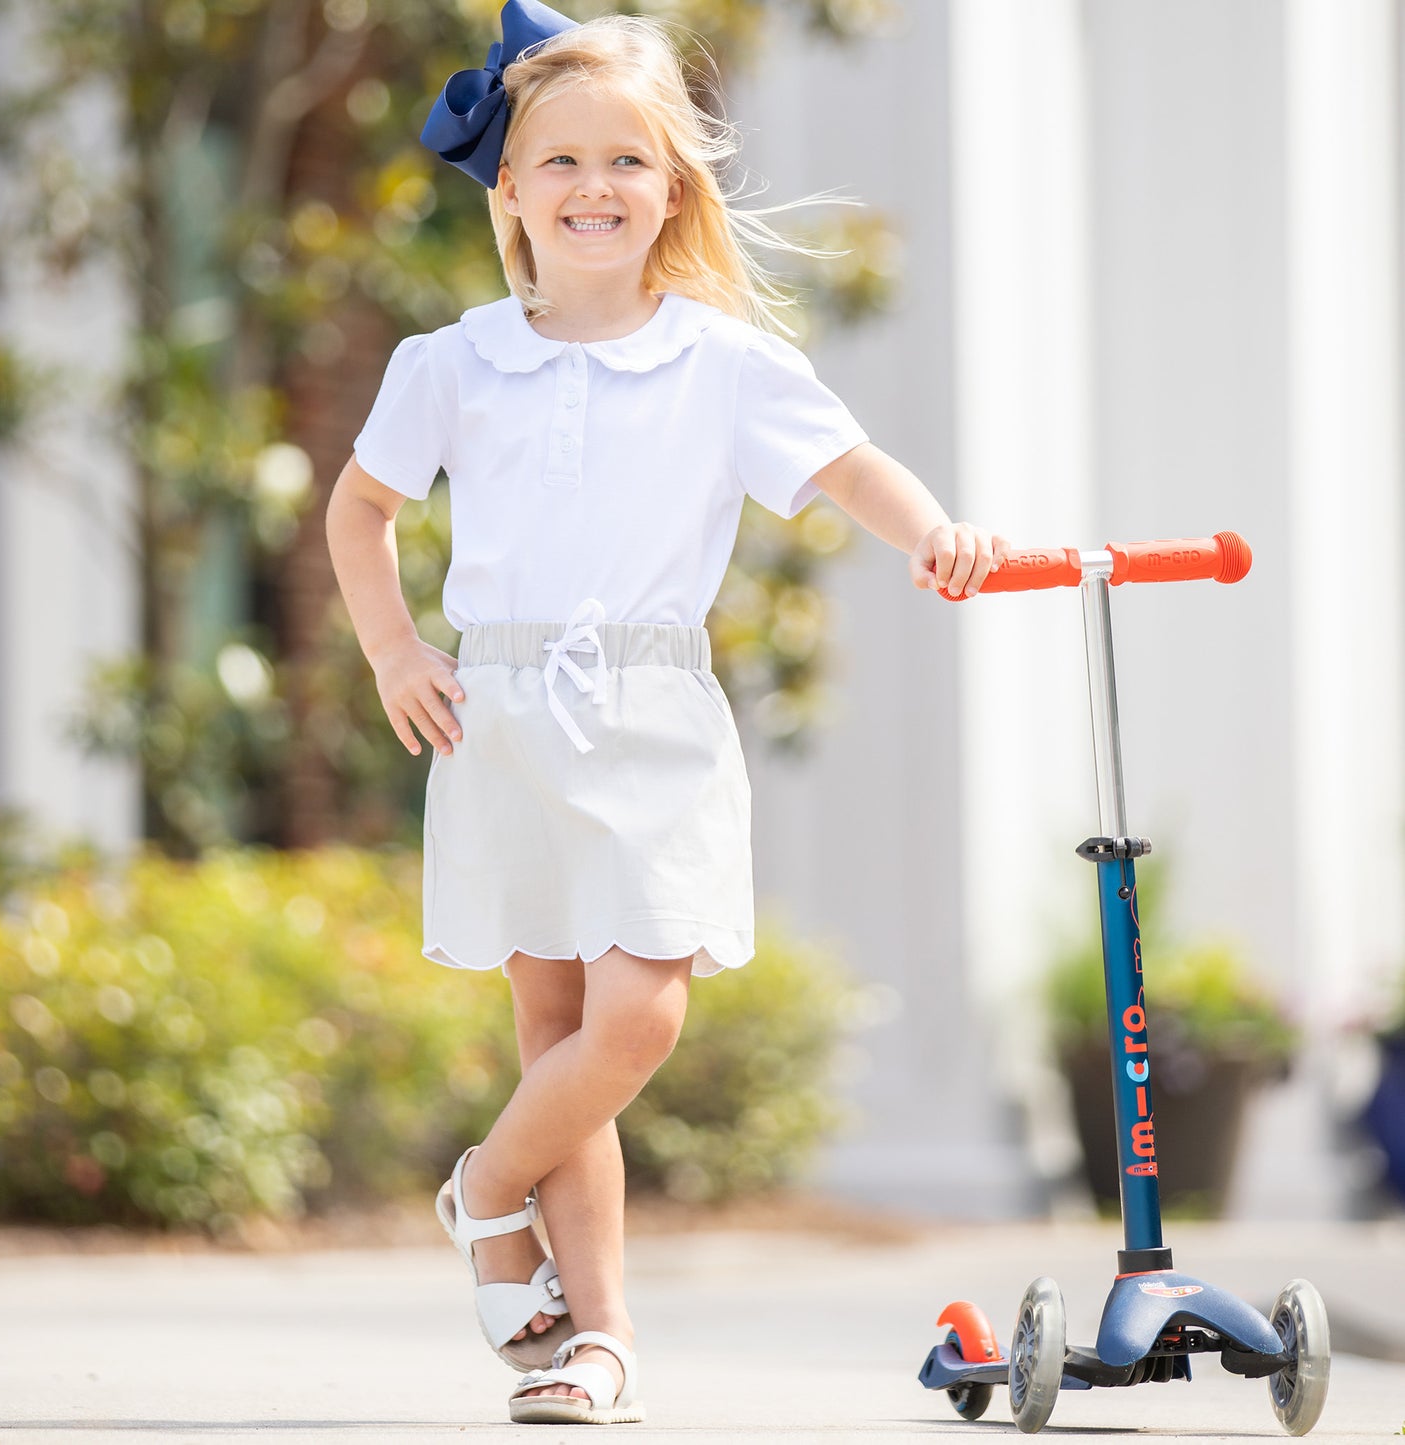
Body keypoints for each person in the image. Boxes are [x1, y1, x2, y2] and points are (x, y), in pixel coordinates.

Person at [327, 0, 1006, 1426]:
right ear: (507, 188)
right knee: (557, 1035)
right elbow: (364, 507)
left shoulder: (719, 361)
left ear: (674, 187)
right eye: (559, 163)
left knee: (636, 1019)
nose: (592, 188)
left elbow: (847, 466)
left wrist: (934, 528)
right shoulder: (449, 362)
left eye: (625, 162)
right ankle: (601, 1339)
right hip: (499, 717)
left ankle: (484, 1187)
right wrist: (394, 650)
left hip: (652, 721)